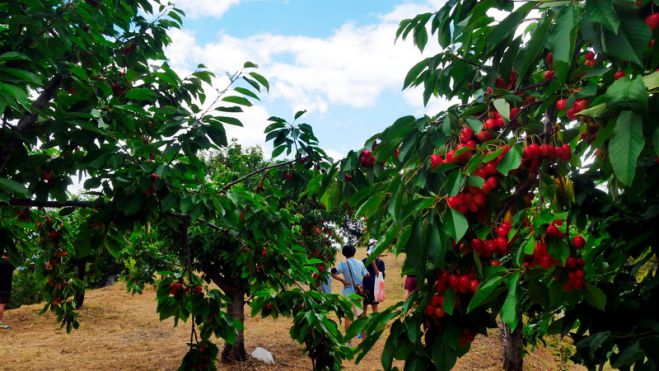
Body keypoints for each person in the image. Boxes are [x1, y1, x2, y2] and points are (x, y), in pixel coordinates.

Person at [331, 244, 369, 342]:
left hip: (346, 293)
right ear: (354, 252)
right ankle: (364, 339)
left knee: (348, 318)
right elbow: (367, 274)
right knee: (361, 317)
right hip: (358, 293)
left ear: (344, 254)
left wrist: (343, 281)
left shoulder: (343, 264)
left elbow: (333, 273)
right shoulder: (360, 263)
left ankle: (349, 342)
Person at [361, 241, 385, 316]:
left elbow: (380, 276)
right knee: (363, 308)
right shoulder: (364, 261)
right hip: (366, 287)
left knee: (374, 307)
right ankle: (363, 327)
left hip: (375, 288)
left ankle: (376, 325)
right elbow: (361, 273)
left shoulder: (380, 262)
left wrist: (374, 264)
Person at [0, 252, 15, 330]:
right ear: (8, 257)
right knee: (1, 306)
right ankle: (0, 323)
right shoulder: (10, 266)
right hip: (5, 289)